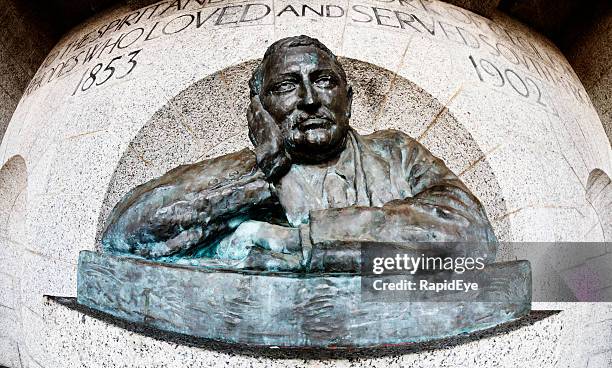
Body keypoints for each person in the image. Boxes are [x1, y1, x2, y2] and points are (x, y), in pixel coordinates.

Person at [101, 35, 496, 272]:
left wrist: (300, 241)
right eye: (286, 86)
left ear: (348, 97)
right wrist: (260, 170)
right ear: (260, 108)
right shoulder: (249, 173)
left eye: (323, 81)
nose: (309, 100)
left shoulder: (394, 153)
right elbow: (125, 235)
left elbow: (470, 232)